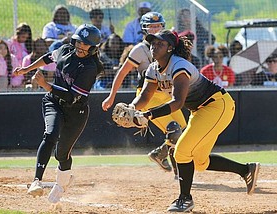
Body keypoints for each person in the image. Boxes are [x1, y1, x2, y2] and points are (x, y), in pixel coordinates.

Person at [130, 30, 260, 212]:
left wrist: (148, 115)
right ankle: (246, 170)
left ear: (170, 48)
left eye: (160, 44)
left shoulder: (179, 65)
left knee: (181, 151)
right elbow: (145, 95)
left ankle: (185, 199)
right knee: (200, 161)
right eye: (152, 43)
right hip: (200, 111)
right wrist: (131, 108)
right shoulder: (153, 69)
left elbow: (177, 102)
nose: (154, 46)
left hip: (217, 106)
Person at [13, 24, 103, 205]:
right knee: (50, 134)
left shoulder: (90, 67)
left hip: (75, 111)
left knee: (61, 154)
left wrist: (45, 85)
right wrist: (27, 69)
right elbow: (48, 58)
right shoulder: (65, 50)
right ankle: (36, 180)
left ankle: (62, 184)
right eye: (78, 41)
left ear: (93, 48)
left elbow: (72, 97)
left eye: (85, 44)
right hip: (53, 102)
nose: (80, 46)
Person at [102, 12, 187, 177]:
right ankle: (178, 173)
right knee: (174, 131)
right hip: (148, 96)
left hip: (168, 96)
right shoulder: (140, 49)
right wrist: (111, 95)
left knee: (183, 134)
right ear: (144, 29)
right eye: (151, 26)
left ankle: (160, 155)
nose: (156, 29)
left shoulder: (170, 47)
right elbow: (122, 72)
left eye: (158, 26)